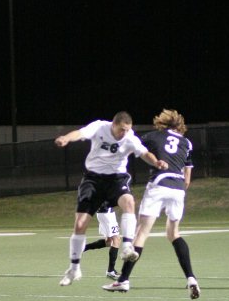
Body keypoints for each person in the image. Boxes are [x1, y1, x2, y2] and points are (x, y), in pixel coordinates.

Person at [54, 111, 168, 286]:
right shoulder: (100, 127)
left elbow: (145, 153)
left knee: (129, 202)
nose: (125, 133)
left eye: (127, 130)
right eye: (122, 129)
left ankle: (127, 247)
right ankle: (74, 268)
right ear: (113, 125)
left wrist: (156, 162)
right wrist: (67, 138)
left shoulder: (130, 137)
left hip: (116, 178)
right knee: (80, 224)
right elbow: (79, 133)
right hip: (93, 179)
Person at [102, 108, 200, 299]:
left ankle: (123, 280)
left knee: (141, 233)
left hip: (159, 184)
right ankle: (191, 279)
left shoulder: (154, 136)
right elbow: (187, 178)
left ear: (161, 122)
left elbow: (132, 144)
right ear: (179, 125)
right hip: (178, 188)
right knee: (174, 234)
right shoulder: (187, 143)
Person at [83, 202, 121, 279]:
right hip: (107, 213)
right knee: (116, 240)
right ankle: (110, 271)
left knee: (109, 242)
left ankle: (83, 248)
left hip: (104, 213)